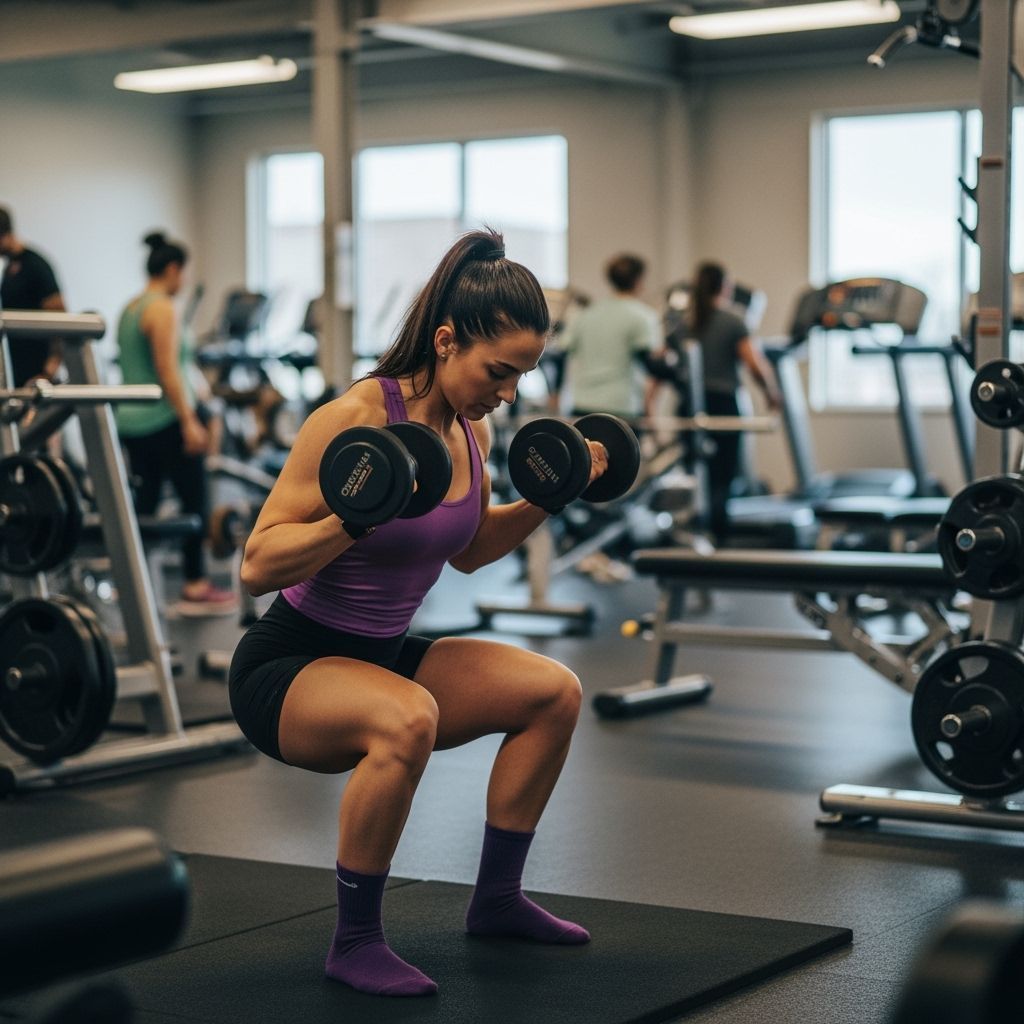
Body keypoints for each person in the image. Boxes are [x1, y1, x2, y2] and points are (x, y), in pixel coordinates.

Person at [230, 229, 605, 998]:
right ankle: (355, 940)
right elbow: (258, 564)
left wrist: (548, 496)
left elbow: (468, 549)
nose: (505, 393)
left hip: (382, 652)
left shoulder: (474, 429)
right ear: (445, 341)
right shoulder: (353, 418)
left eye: (519, 379)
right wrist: (352, 519)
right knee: (409, 718)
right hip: (289, 664)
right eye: (497, 371)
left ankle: (497, 900)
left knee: (553, 692)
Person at [115, 231, 236, 616]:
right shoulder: (162, 308)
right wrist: (190, 421)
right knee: (193, 500)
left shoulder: (131, 307)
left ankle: (132, 587)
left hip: (132, 422)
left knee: (145, 505)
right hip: (166, 418)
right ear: (173, 269)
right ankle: (195, 585)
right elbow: (168, 370)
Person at [689, 261, 780, 543]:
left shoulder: (687, 322)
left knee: (696, 470)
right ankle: (718, 536)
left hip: (690, 406)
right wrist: (772, 394)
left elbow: (661, 370)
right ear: (725, 288)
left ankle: (697, 530)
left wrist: (650, 404)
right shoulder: (733, 320)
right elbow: (754, 364)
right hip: (723, 405)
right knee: (722, 475)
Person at [559, 253, 660, 418]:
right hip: (622, 409)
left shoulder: (586, 314)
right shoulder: (643, 316)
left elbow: (562, 350)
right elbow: (650, 364)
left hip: (583, 407)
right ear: (638, 281)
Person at [0, 205, 66, 386]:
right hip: (16, 373)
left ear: (4, 235)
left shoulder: (36, 266)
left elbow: (60, 322)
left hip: (36, 375)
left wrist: (48, 372)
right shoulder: (8, 269)